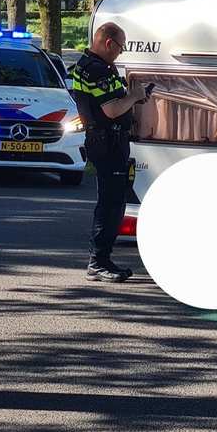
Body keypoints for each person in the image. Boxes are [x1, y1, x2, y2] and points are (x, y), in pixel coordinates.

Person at [68, 22, 150, 282]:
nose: (120, 53)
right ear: (108, 43)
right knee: (110, 204)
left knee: (113, 201)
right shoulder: (96, 69)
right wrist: (134, 96)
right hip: (107, 142)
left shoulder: (88, 65)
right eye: (120, 47)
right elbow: (111, 109)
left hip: (105, 140)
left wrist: (132, 97)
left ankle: (102, 259)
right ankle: (99, 261)